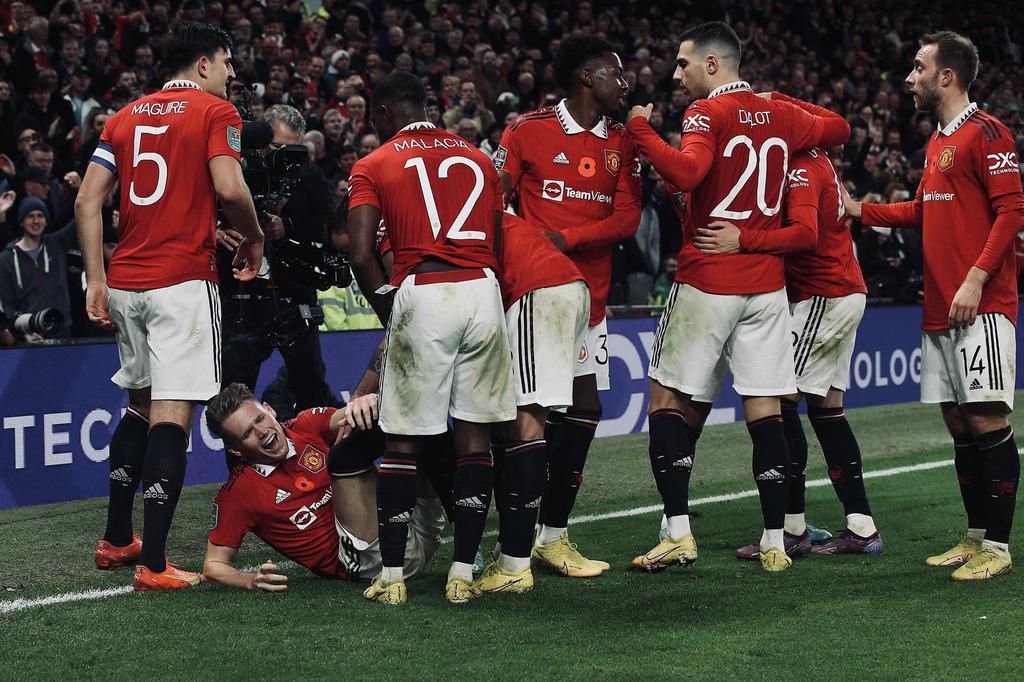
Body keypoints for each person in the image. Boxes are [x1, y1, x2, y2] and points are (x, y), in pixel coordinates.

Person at [625, 21, 850, 572]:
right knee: (766, 408)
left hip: (708, 276)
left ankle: (677, 531)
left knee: (667, 400)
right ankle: (776, 541)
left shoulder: (706, 113)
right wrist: (779, 101)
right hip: (768, 286)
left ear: (711, 64)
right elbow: (839, 129)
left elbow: (689, 168)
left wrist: (640, 131)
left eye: (683, 64)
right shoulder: (783, 117)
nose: (675, 74)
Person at [76, 21, 264, 591]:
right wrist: (254, 239)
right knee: (172, 420)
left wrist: (95, 279)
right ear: (204, 64)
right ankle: (154, 565)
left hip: (128, 282)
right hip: (180, 283)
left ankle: (116, 539)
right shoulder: (214, 114)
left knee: (138, 406)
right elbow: (231, 190)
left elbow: (87, 200)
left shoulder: (124, 116)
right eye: (228, 63)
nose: (233, 75)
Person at [845, 31, 1023, 581]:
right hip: (942, 307)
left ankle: (998, 546)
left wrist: (974, 280)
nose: (909, 77)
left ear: (946, 76)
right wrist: (860, 211)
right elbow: (926, 209)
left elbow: (1013, 212)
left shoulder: (988, 133)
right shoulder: (937, 143)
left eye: (918, 67)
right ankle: (974, 536)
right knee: (956, 419)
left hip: (982, 304)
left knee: (986, 416)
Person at [347, 71, 515, 605]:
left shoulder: (373, 164)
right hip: (483, 290)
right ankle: (463, 574)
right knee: (474, 440)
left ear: (382, 117)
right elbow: (496, 237)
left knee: (402, 442)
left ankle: (393, 578)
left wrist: (389, 310)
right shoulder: (478, 157)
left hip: (425, 287)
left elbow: (359, 253)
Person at [495, 34, 641, 577]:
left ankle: (550, 537)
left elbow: (627, 219)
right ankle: (511, 543)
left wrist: (566, 238)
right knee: (527, 418)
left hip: (592, 302)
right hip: (537, 297)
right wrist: (530, 247)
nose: (624, 81)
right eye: (614, 71)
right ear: (587, 77)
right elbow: (494, 197)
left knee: (585, 411)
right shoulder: (528, 131)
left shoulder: (623, 142)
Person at [696, 146, 883, 558]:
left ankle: (791, 529)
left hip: (823, 294)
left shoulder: (799, 168)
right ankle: (861, 526)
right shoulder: (815, 160)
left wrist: (743, 239)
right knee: (827, 410)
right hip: (840, 290)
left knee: (779, 401)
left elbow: (804, 235)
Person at [202, 383, 444, 590]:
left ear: (269, 409)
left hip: (419, 523)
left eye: (260, 419)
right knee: (344, 459)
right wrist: (249, 580)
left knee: (419, 423)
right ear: (235, 449)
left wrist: (372, 402)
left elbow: (349, 416)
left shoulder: (305, 424)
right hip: (376, 560)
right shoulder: (238, 493)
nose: (263, 432)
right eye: (247, 434)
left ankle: (466, 536)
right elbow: (213, 566)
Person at [475, 212, 590, 594]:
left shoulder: (441, 219)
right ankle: (512, 545)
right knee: (515, 423)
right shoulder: (482, 206)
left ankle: (514, 566)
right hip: (565, 286)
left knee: (525, 422)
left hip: (537, 290)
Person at [0, 197, 75, 340]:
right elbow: (7, 306)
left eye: (40, 216)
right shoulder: (6, 259)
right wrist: (23, 332)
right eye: (30, 216)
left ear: (46, 220)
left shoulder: (56, 243)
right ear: (21, 221)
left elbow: (82, 219)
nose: (36, 221)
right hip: (29, 335)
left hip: (61, 330)